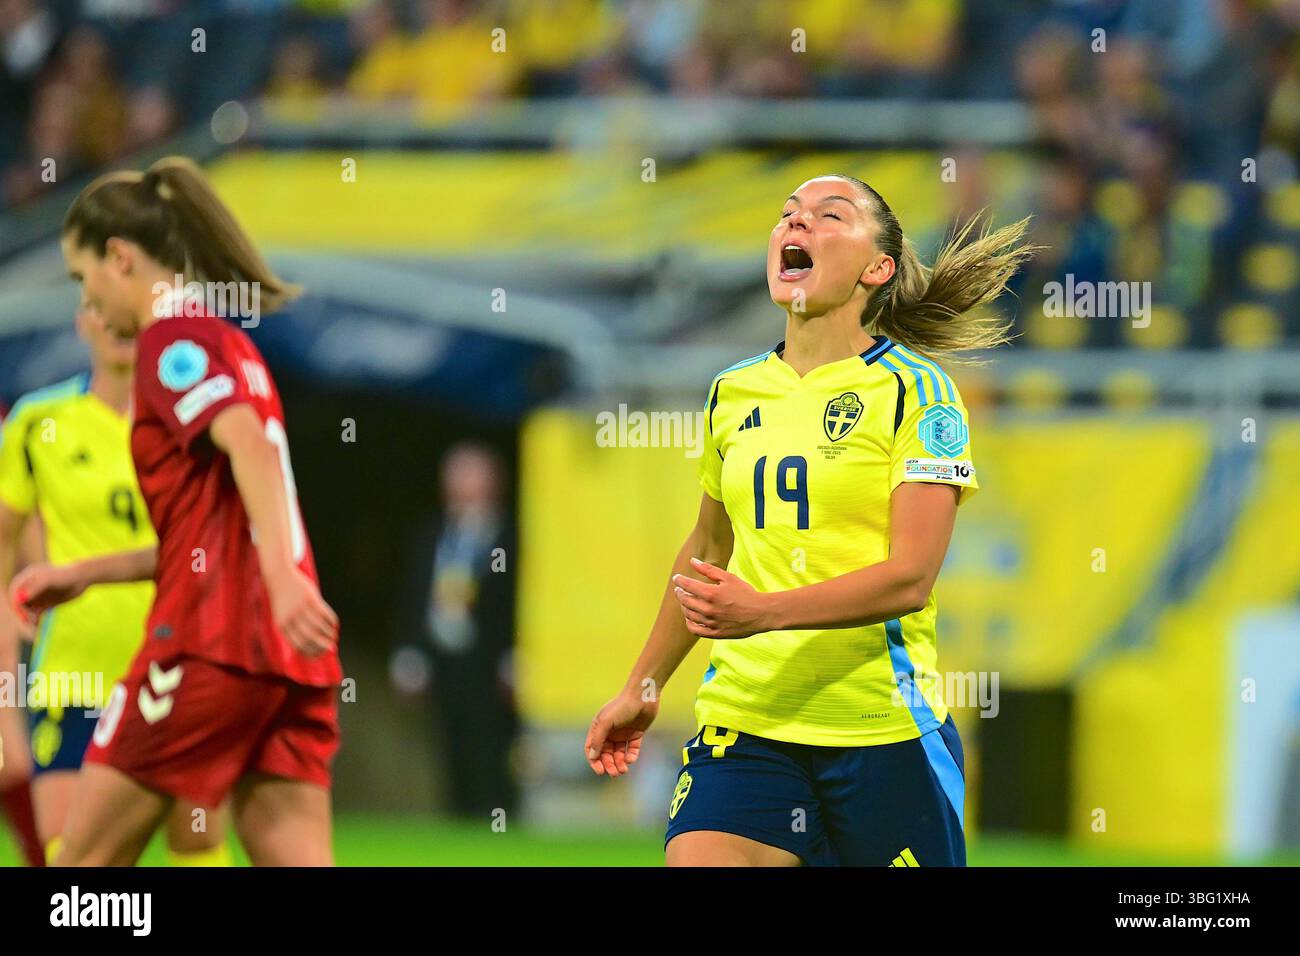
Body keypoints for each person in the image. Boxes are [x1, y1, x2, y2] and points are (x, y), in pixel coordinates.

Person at [585, 174, 1036, 866]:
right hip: (747, 724)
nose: (797, 226)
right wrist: (643, 687)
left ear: (876, 268)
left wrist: (763, 611)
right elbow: (708, 547)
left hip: (881, 732)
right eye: (787, 215)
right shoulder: (732, 392)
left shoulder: (916, 393)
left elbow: (909, 579)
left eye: (830, 216)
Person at [11, 155, 342, 866]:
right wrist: (92, 572)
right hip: (291, 664)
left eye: (84, 278)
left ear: (120, 258)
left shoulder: (173, 340)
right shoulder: (230, 343)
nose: (90, 304)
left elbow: (249, 445)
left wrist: (285, 580)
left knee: (79, 872)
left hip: (207, 648)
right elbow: (214, 529)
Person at [0, 300, 233, 866]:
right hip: (74, 671)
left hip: (178, 662)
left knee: (196, 839)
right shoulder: (37, 421)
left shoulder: (198, 423)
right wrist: (4, 699)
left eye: (129, 314)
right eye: (100, 311)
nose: (117, 327)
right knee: (71, 858)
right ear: (81, 320)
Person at [394, 444, 518, 818]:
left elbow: (519, 598)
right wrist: (409, 652)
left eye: (470, 476)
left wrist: (516, 655)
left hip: (489, 661)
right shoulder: (433, 535)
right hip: (443, 659)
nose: (460, 486)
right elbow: (413, 594)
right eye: (455, 477)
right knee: (450, 746)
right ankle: (458, 821)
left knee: (491, 747)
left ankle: (496, 820)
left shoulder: (511, 536)